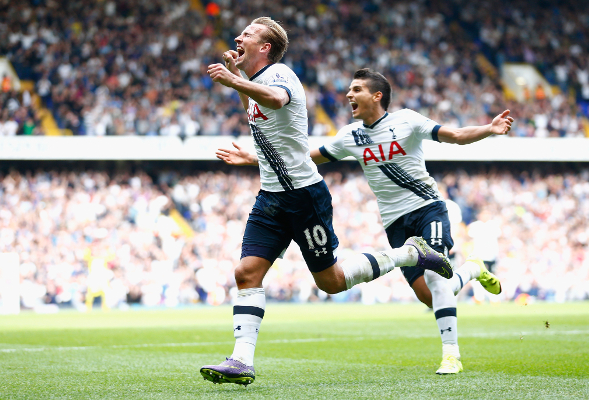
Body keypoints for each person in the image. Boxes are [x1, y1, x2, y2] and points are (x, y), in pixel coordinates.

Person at [201, 19, 453, 386]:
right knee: (246, 273)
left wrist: (233, 78)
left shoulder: (281, 75)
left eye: (248, 34)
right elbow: (256, 109)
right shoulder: (257, 81)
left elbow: (275, 100)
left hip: (305, 197)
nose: (239, 37)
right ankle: (242, 361)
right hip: (270, 198)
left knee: (331, 283)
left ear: (265, 47)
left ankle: (409, 254)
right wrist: (241, 80)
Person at [217, 68, 511, 375]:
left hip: (428, 207)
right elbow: (306, 158)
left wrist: (489, 128)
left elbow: (455, 136)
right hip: (394, 220)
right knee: (431, 295)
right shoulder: (350, 136)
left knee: (437, 281)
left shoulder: (407, 121)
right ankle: (474, 268)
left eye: (356, 89)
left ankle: (451, 355)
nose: (348, 95)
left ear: (376, 95)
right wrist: (253, 159)